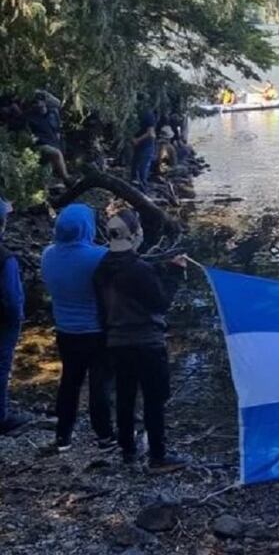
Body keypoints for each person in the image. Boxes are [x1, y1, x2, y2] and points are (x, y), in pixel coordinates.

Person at [94, 209, 188, 473]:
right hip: (147, 343)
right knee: (154, 399)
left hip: (116, 343)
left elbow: (104, 306)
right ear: (135, 235)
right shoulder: (139, 270)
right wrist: (175, 274)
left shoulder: (101, 268)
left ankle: (128, 450)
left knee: (125, 396)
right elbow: (160, 303)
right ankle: (158, 457)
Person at [41, 204, 114, 452]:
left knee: (69, 382)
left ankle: (63, 436)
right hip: (96, 331)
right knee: (99, 385)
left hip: (65, 331)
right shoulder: (100, 256)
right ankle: (104, 436)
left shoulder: (48, 254)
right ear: (87, 227)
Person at [0, 197, 30, 435]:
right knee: (1, 367)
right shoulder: (5, 258)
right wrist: (17, 316)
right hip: (3, 323)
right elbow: (11, 298)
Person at [25, 90, 71, 183]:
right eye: (34, 102)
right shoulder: (30, 117)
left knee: (59, 154)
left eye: (39, 101)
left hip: (55, 142)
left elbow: (57, 103)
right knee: (55, 153)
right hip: (41, 145)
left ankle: (57, 180)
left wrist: (43, 94)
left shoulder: (53, 113)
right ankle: (67, 178)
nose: (37, 104)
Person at [130, 110, 156, 190]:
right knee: (134, 168)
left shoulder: (149, 115)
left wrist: (137, 140)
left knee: (142, 169)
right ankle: (134, 189)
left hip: (147, 146)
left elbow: (150, 133)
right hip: (139, 146)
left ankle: (143, 190)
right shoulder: (134, 114)